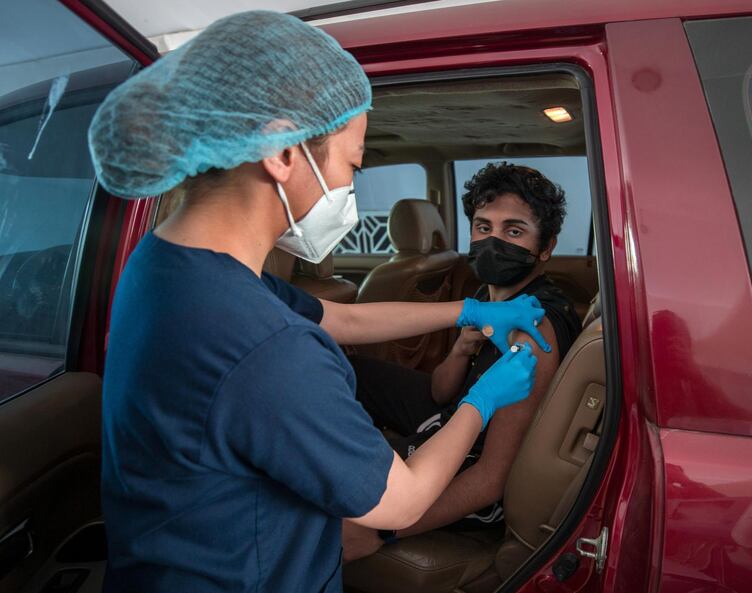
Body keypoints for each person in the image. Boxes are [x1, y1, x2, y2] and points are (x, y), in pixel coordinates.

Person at [89, 12, 548, 593]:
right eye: (351, 165)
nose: (349, 192)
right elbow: (401, 503)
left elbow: (345, 317)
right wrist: (483, 398)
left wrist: (469, 312)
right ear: (282, 152)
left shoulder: (166, 265)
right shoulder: (267, 347)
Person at [343, 163, 582, 561]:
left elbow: (493, 478)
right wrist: (460, 349)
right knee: (352, 371)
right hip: (455, 418)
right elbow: (441, 392)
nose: (493, 242)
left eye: (514, 231)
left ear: (546, 247)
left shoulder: (534, 330)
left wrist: (382, 532)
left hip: (475, 476)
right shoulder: (486, 300)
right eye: (483, 227)